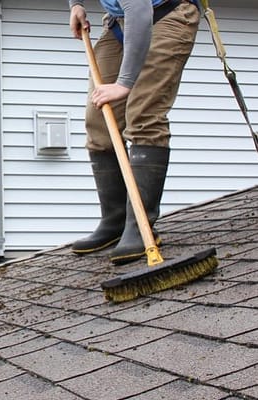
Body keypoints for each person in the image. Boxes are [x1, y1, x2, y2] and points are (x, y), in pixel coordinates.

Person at [68, 0, 200, 264]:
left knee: (143, 115)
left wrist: (124, 84)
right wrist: (76, 5)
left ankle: (139, 226)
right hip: (119, 23)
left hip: (166, 15)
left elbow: (139, 10)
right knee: (99, 122)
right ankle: (114, 221)